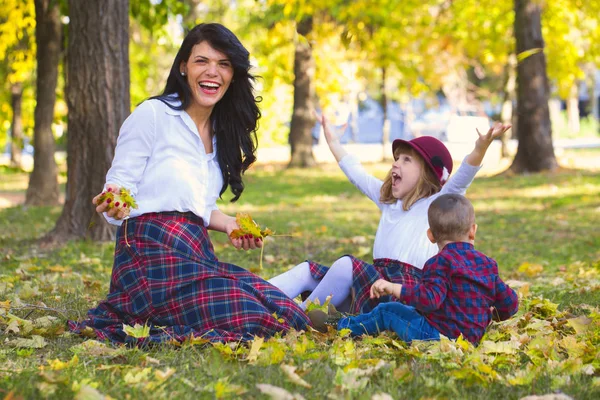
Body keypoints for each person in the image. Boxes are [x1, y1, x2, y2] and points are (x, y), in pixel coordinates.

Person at [68, 23, 310, 345]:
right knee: (253, 318)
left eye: (223, 64)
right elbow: (119, 185)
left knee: (287, 311)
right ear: (184, 67)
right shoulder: (153, 115)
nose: (213, 72)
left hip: (195, 254)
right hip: (149, 257)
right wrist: (114, 199)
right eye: (202, 61)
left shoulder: (220, 135)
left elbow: (199, 208)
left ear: (233, 75)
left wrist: (231, 226)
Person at [269, 114, 512, 314]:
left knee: (345, 266)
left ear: (429, 174)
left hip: (403, 293)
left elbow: (462, 177)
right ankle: (258, 294)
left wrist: (481, 147)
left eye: (407, 160)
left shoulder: (435, 204)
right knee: (306, 271)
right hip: (371, 288)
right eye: (396, 159)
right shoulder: (389, 202)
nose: (396, 164)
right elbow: (356, 173)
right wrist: (332, 141)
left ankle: (296, 316)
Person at [308, 194, 519, 345]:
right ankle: (349, 321)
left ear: (431, 236)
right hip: (472, 340)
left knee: (388, 310)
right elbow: (510, 303)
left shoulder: (439, 263)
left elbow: (430, 299)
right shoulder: (487, 265)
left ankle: (339, 326)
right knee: (409, 312)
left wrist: (394, 288)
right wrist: (492, 314)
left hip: (439, 338)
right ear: (473, 231)